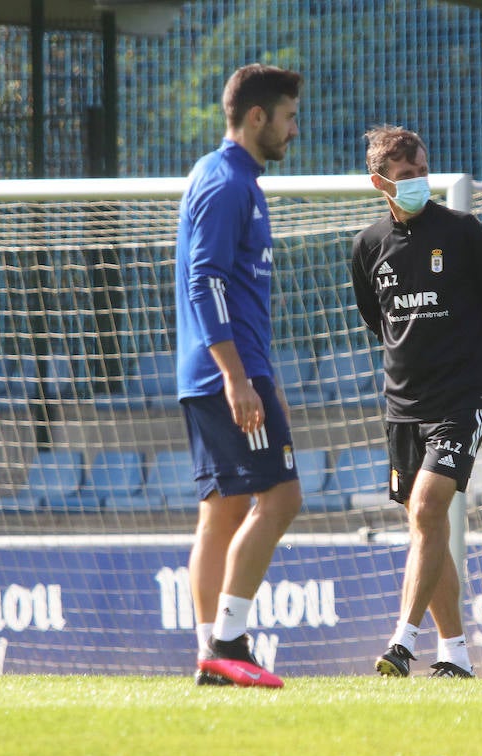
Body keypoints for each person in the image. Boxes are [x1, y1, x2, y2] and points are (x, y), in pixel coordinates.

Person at [350, 125, 482, 679]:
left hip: (462, 397)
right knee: (428, 528)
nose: (420, 181)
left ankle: (402, 640)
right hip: (403, 405)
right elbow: (376, 320)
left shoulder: (463, 231)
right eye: (407, 176)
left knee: (426, 511)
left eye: (424, 171)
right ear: (381, 183)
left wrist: (480, 353)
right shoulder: (369, 246)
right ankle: (457, 656)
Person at [176, 64, 303, 688]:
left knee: (221, 514)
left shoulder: (228, 178)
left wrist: (245, 372)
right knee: (282, 497)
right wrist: (238, 377)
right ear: (257, 118)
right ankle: (227, 641)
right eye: (287, 118)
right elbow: (205, 281)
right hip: (228, 374)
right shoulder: (226, 183)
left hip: (220, 371)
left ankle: (212, 656)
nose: (292, 130)